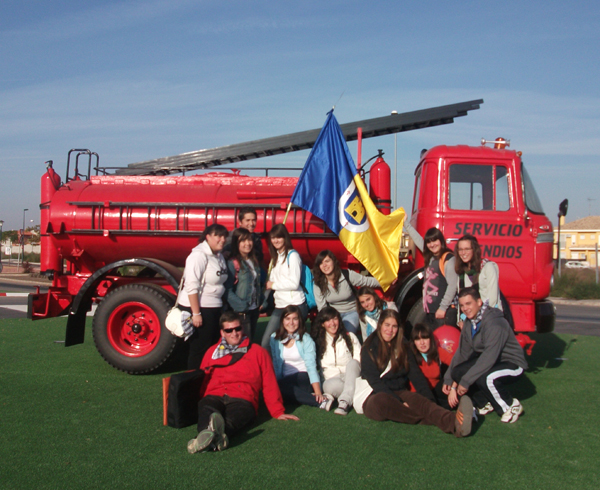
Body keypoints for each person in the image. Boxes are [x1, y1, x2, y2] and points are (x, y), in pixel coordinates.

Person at [187, 311, 299, 454]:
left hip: (242, 398)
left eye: (237, 329)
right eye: (229, 330)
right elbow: (202, 379)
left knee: (234, 419)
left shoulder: (258, 352)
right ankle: (215, 438)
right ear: (222, 333)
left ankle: (204, 439)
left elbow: (269, 383)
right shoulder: (212, 352)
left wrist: (277, 411)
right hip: (214, 394)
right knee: (207, 409)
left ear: (242, 329)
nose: (234, 333)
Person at [360, 310, 473, 437]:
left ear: (399, 328)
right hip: (374, 395)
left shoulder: (403, 347)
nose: (390, 330)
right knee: (383, 401)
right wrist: (399, 401)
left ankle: (455, 423)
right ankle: (433, 418)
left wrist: (430, 402)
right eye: (387, 325)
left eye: (394, 326)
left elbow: (416, 376)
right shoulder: (369, 347)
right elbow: (374, 381)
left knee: (422, 403)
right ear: (380, 325)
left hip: (400, 391)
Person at [443, 288, 527, 423]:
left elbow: (489, 356)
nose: (465, 308)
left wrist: (466, 381)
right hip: (492, 361)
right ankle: (484, 403)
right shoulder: (469, 323)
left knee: (485, 378)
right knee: (459, 372)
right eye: (462, 305)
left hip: (512, 363)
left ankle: (510, 406)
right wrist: (449, 378)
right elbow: (462, 353)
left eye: (468, 304)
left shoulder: (494, 322)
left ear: (479, 302)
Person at [178, 223, 229, 370]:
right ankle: (193, 383)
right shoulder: (198, 255)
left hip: (214, 307)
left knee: (212, 348)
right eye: (218, 236)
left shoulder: (218, 255)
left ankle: (209, 381)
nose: (222, 239)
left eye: (224, 236)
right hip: (200, 308)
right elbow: (191, 285)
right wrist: (196, 313)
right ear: (207, 237)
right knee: (199, 350)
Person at [270, 305, 327, 408]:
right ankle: (297, 395)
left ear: (300, 321)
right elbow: (276, 363)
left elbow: (311, 366)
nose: (291, 323)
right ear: (282, 320)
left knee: (279, 388)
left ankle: (318, 401)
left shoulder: (306, 339)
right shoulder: (274, 338)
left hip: (304, 377)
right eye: (287, 319)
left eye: (295, 319)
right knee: (277, 389)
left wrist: (318, 391)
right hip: (285, 380)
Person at [260, 224, 308, 349]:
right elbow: (268, 284)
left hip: (295, 305)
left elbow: (294, 283)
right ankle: (271, 368)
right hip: (280, 305)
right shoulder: (274, 258)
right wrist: (262, 301)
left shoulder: (293, 256)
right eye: (273, 238)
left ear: (285, 238)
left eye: (279, 237)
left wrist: (273, 285)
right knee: (267, 342)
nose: (276, 240)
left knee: (296, 343)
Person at [312, 250, 379, 336]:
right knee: (329, 335)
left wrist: (386, 282)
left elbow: (366, 281)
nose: (324, 265)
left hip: (352, 311)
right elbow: (322, 307)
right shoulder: (318, 283)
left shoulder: (346, 275)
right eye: (321, 263)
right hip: (333, 315)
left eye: (327, 261)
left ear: (333, 261)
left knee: (347, 334)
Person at [313, 307, 362, 415]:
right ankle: (353, 394)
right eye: (328, 320)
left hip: (351, 376)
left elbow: (359, 360)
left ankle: (343, 402)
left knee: (353, 363)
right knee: (330, 386)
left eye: (335, 319)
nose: (332, 323)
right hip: (332, 381)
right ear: (322, 324)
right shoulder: (319, 342)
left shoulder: (350, 337)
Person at [224, 227, 263, 340]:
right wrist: (241, 305)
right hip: (241, 312)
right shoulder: (233, 262)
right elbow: (227, 289)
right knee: (242, 344)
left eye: (249, 240)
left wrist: (261, 302)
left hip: (254, 309)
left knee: (250, 342)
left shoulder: (253, 261)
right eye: (243, 241)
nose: (247, 243)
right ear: (237, 243)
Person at [455, 234, 502, 328]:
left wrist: (481, 320)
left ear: (474, 250)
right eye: (460, 249)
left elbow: (492, 300)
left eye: (467, 249)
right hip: (470, 321)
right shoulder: (461, 272)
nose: (463, 253)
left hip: (489, 320)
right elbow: (461, 299)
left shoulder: (487, 267)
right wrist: (461, 320)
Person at [422, 227, 458, 328]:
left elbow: (452, 285)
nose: (432, 244)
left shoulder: (448, 259)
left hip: (442, 314)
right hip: (431, 312)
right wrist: (406, 223)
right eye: (429, 242)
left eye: (435, 240)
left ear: (441, 240)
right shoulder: (431, 257)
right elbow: (419, 241)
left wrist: (443, 308)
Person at [409, 323, 451, 409]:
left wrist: (452, 384)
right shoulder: (411, 355)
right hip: (418, 393)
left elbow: (455, 364)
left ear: (430, 339)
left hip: (436, 390)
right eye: (418, 339)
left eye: (425, 338)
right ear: (414, 342)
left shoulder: (437, 351)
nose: (422, 343)